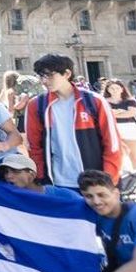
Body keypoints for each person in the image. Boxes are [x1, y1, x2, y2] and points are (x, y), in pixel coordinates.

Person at [23, 53, 122, 189]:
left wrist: (109, 179)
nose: (44, 81)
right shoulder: (36, 105)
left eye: (49, 75)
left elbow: (112, 144)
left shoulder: (94, 101)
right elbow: (34, 146)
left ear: (67, 74)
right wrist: (40, 178)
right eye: (41, 76)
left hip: (95, 183)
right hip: (56, 182)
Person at [102, 78, 136, 175]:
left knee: (133, 154)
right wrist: (122, 111)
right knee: (116, 154)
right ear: (108, 90)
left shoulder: (129, 100)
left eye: (117, 88)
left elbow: (132, 113)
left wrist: (113, 113)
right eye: (112, 88)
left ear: (122, 89)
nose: (115, 90)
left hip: (128, 128)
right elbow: (104, 114)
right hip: (112, 128)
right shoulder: (103, 101)